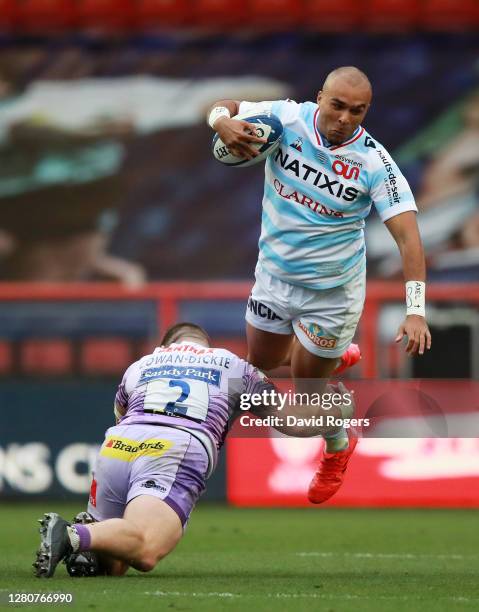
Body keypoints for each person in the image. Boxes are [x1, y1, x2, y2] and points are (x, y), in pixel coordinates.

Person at [207, 66, 432, 503]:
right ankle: (332, 358)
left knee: (305, 404)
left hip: (331, 295)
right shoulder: (287, 119)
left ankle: (338, 444)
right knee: (262, 367)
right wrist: (221, 123)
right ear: (319, 98)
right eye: (337, 105)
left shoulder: (374, 163)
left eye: (357, 111)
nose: (346, 117)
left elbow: (408, 238)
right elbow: (225, 106)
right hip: (274, 277)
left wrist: (416, 310)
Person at [33, 322, 354, 578]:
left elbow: (121, 414)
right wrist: (337, 411)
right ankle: (74, 535)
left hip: (117, 445)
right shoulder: (232, 365)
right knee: (146, 549)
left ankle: (90, 537)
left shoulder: (141, 365)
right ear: (206, 343)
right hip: (176, 447)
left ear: (166, 344)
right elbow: (290, 423)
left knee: (117, 564)